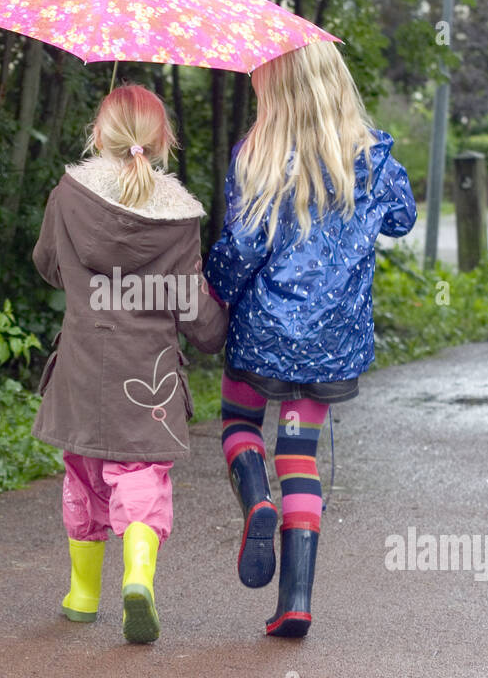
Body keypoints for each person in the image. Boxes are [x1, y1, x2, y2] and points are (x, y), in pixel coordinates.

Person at [204, 40, 417, 638]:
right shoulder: (370, 159)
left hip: (261, 333)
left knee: (238, 425)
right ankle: (294, 601)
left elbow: (242, 247)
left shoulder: (259, 153)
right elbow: (402, 218)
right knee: (299, 455)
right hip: (333, 337)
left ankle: (257, 503)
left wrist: (214, 290)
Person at [32, 83, 227, 644]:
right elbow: (191, 305)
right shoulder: (178, 218)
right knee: (140, 474)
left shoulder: (67, 196)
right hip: (150, 376)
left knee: (84, 475)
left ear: (98, 133)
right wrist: (219, 331)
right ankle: (138, 576)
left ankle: (83, 594)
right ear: (164, 142)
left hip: (80, 366)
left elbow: (48, 264)